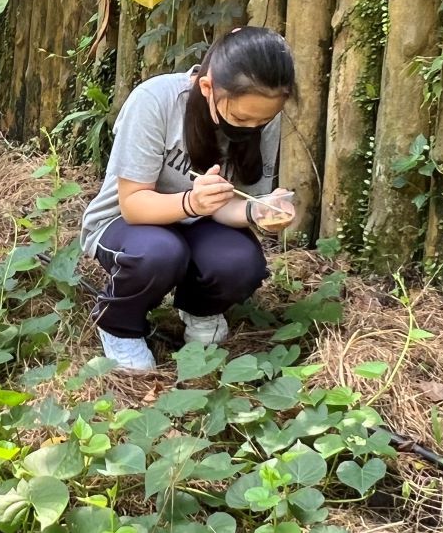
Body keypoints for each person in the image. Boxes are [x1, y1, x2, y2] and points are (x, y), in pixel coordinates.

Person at [78, 27, 298, 373]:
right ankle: (118, 324)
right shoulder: (156, 100)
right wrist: (192, 204)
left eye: (263, 120)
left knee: (242, 263)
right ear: (207, 87)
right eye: (241, 118)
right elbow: (133, 204)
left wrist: (261, 209)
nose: (252, 127)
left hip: (201, 222)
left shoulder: (261, 117)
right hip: (126, 222)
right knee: (161, 253)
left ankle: (199, 309)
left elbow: (231, 205)